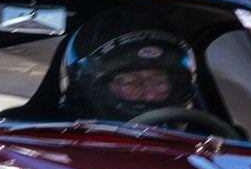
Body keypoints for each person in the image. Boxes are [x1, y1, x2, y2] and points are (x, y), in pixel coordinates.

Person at [60, 9, 200, 121]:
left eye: (160, 81)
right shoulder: (61, 139)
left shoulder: (198, 143)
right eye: (132, 82)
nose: (151, 95)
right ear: (92, 86)